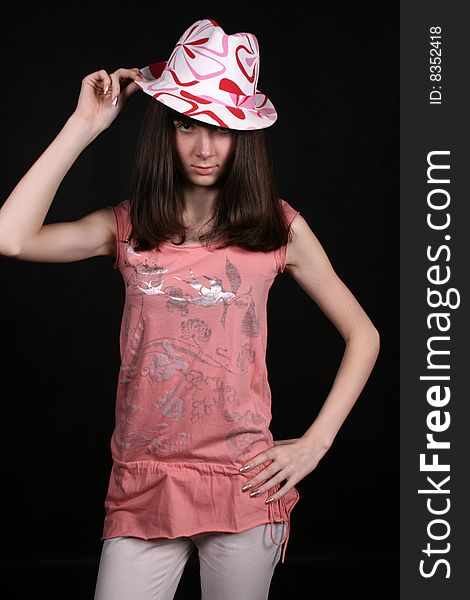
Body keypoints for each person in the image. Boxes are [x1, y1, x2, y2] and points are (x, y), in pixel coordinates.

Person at [0, 17, 380, 600]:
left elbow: (363, 333)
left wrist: (315, 444)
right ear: (165, 131)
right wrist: (84, 125)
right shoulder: (127, 227)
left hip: (244, 485)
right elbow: (11, 238)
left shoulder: (278, 229)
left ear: (243, 136)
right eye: (187, 125)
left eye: (222, 129)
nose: (205, 147)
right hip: (143, 482)